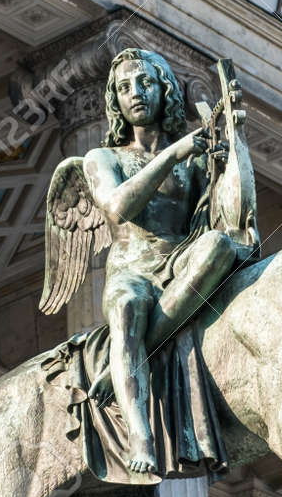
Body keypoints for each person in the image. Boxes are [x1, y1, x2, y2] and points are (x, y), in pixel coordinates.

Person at [81, 48, 242, 473]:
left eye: (145, 83)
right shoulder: (104, 158)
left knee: (221, 248)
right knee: (127, 306)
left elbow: (229, 217)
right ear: (114, 100)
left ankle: (134, 357)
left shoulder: (194, 159)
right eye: (124, 87)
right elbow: (117, 208)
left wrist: (232, 151)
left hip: (181, 261)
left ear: (164, 89)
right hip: (133, 269)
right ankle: (140, 435)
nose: (135, 93)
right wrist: (173, 154)